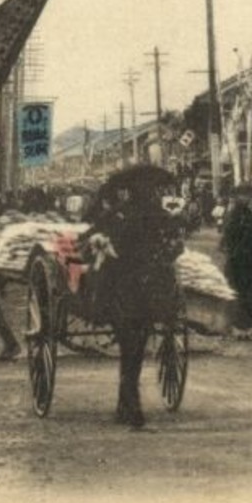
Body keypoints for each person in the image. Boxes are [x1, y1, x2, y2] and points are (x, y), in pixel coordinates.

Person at [86, 167, 186, 429]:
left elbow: (173, 245)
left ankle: (128, 403)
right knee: (134, 345)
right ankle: (130, 405)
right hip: (134, 279)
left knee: (133, 345)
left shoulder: (123, 214)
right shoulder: (148, 214)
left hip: (132, 278)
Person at [221, 184, 252, 338]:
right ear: (239, 197)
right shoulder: (233, 215)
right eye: (247, 196)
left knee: (250, 293)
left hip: (250, 260)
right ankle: (237, 326)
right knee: (237, 290)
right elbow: (228, 237)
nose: (250, 199)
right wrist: (233, 252)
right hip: (236, 259)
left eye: (250, 196)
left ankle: (248, 326)